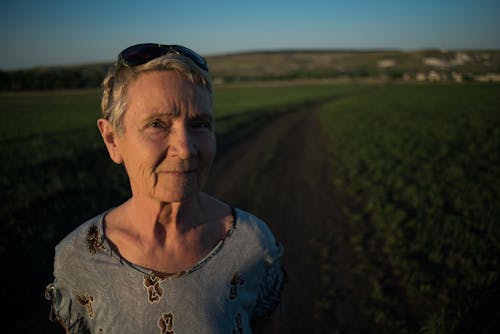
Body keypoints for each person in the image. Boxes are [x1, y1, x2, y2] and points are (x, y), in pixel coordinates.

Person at [45, 43, 286, 333]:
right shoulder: (79, 258)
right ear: (112, 140)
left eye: (199, 124)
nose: (185, 149)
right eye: (157, 124)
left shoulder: (252, 245)